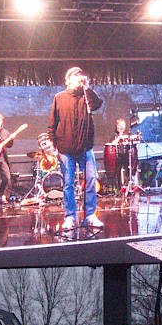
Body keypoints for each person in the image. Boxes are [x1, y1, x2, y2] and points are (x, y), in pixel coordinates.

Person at [47, 67, 104, 231]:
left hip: (85, 148)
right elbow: (52, 125)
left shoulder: (86, 96)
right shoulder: (59, 97)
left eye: (81, 75)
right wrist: (52, 145)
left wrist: (87, 88)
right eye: (76, 75)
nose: (79, 77)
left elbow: (98, 104)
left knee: (92, 180)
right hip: (66, 150)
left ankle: (90, 216)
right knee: (68, 184)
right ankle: (70, 217)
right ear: (68, 79)